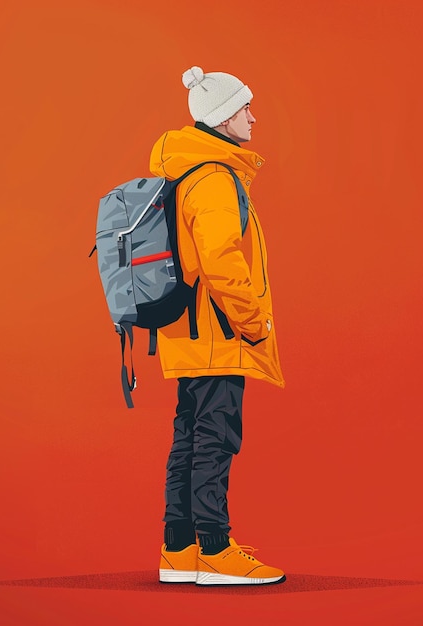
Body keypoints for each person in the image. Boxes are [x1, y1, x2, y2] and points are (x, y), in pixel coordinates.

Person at [150, 66, 285, 586]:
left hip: (186, 331)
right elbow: (222, 261)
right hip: (217, 333)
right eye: (246, 107)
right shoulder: (212, 177)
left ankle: (178, 549)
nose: (253, 116)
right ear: (225, 116)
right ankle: (215, 549)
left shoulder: (184, 171)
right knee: (215, 438)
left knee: (188, 435)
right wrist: (253, 323)